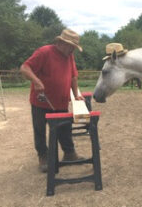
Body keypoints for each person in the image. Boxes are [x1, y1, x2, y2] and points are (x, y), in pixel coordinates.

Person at [20, 28, 85, 173]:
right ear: (62, 43)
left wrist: (75, 94)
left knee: (64, 129)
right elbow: (25, 68)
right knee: (40, 130)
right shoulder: (44, 52)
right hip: (41, 101)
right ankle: (43, 156)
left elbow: (73, 76)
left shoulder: (69, 55)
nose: (73, 50)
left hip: (61, 101)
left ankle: (69, 154)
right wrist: (36, 81)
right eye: (72, 47)